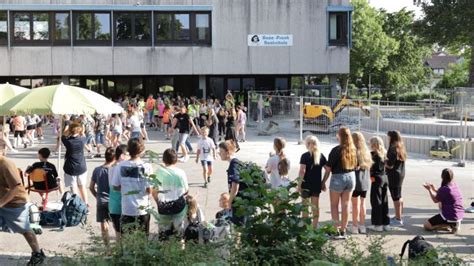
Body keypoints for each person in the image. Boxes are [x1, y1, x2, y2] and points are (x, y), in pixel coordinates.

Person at [0, 154, 46, 264]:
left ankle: (37, 254)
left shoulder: (5, 164)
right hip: (2, 200)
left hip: (15, 203)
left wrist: (0, 203)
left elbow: (16, 187)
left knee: (25, 230)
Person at [322, 127, 357, 239]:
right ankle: (343, 231)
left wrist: (323, 182)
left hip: (337, 178)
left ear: (340, 136)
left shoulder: (336, 150)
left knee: (334, 205)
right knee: (346, 205)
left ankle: (335, 230)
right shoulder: (353, 150)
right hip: (351, 177)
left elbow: (328, 169)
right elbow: (358, 165)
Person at [112, 138, 152, 235]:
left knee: (127, 241)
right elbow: (149, 190)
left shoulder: (120, 166)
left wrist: (125, 189)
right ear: (142, 150)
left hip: (127, 208)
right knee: (143, 241)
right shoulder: (146, 166)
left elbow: (115, 186)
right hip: (143, 208)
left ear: (128, 150)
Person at [153, 149, 189, 240]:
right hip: (178, 206)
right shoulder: (180, 172)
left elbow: (154, 191)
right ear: (176, 160)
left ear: (163, 160)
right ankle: (181, 250)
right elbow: (186, 190)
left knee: (164, 233)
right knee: (179, 233)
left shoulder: (158, 172)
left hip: (163, 206)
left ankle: (165, 250)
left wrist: (158, 202)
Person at [298, 135, 327, 229]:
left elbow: (302, 171)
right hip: (316, 185)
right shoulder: (321, 156)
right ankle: (314, 226)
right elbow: (328, 170)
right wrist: (323, 182)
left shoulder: (305, 156)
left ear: (307, 144)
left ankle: (305, 225)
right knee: (315, 206)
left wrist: (299, 185)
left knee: (305, 205)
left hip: (305, 184)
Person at [423, 168, 464, 234]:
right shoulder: (454, 185)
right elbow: (443, 194)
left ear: (442, 177)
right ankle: (454, 223)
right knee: (441, 201)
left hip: (450, 215)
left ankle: (450, 225)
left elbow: (435, 200)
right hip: (459, 214)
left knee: (426, 226)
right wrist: (434, 189)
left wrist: (429, 190)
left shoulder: (445, 189)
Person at [89, 147, 115, 245]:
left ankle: (107, 248)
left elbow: (91, 187)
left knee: (104, 225)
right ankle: (118, 246)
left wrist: (97, 196)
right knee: (117, 225)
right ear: (114, 158)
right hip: (114, 201)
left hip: (101, 200)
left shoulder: (97, 170)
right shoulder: (115, 171)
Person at [219, 140, 247, 226]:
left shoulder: (233, 165)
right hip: (243, 201)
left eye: (221, 151)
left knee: (239, 227)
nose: (219, 153)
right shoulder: (236, 163)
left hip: (239, 202)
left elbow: (235, 186)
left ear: (227, 152)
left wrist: (229, 202)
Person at [351, 132, 373, 234]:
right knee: (363, 203)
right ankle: (362, 225)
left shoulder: (353, 151)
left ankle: (355, 226)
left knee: (355, 204)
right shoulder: (366, 152)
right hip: (365, 181)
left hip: (355, 180)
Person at [62, 122, 89, 206]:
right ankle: (86, 203)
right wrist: (82, 131)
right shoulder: (82, 139)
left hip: (70, 167)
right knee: (82, 186)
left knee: (73, 188)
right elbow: (83, 134)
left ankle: (77, 205)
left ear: (70, 131)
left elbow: (63, 135)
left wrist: (67, 128)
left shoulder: (68, 141)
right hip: (81, 165)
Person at [369, 136, 390, 232]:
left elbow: (371, 167)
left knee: (376, 201)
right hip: (384, 177)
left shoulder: (373, 154)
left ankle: (378, 224)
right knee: (384, 201)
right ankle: (386, 223)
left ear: (373, 144)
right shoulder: (384, 154)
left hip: (376, 178)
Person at [386, 130, 407, 227]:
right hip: (400, 173)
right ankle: (399, 216)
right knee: (399, 196)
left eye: (388, 137)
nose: (388, 138)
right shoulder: (400, 146)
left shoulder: (393, 148)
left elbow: (390, 165)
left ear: (392, 137)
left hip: (394, 175)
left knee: (395, 197)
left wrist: (382, 161)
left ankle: (398, 219)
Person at [108, 144, 128, 242]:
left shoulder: (112, 167)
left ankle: (119, 253)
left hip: (113, 205)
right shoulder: (119, 168)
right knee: (124, 234)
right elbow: (117, 187)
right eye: (128, 154)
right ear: (122, 156)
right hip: (120, 204)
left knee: (118, 233)